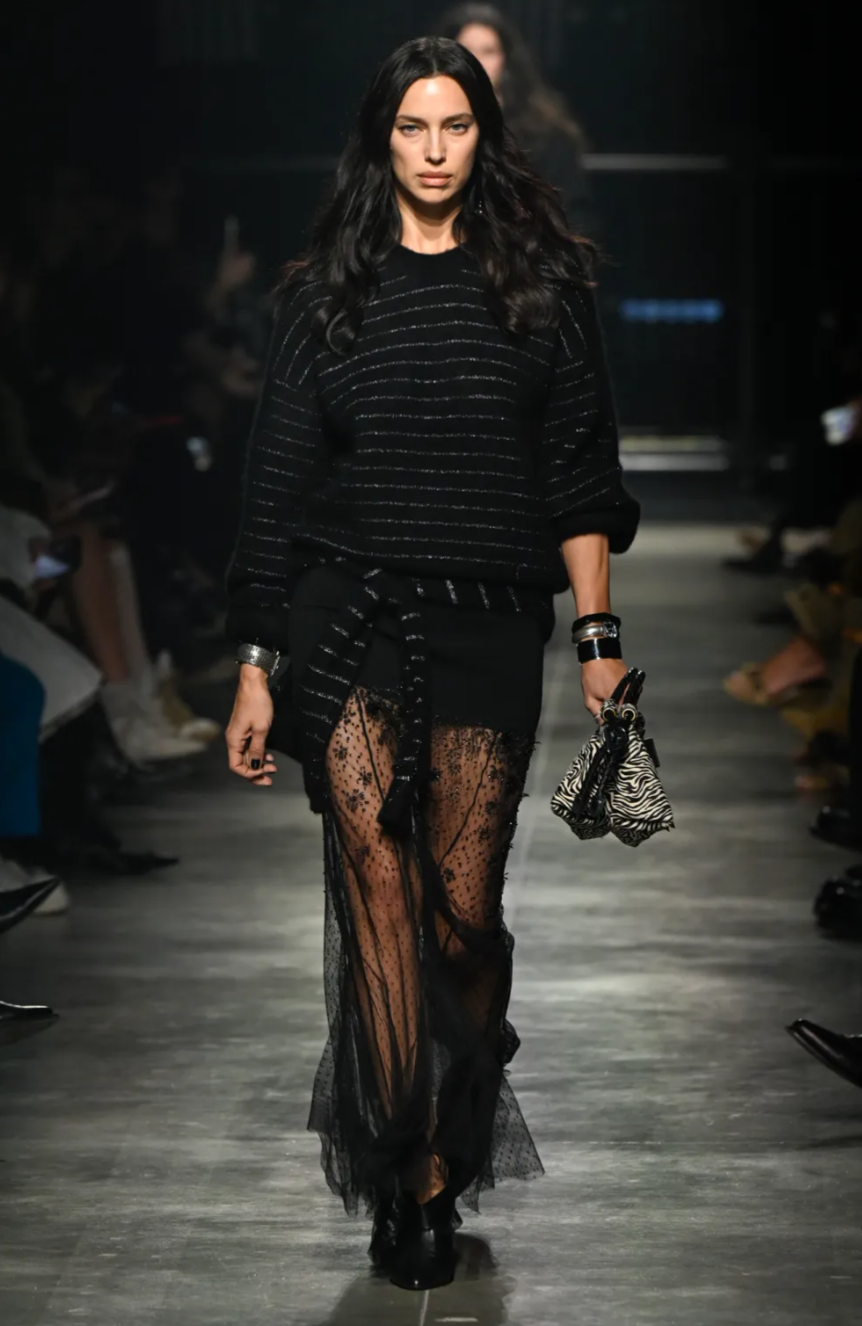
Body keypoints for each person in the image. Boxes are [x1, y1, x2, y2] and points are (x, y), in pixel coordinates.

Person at [225, 37, 638, 1292]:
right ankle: (411, 1178)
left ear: (484, 137)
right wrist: (256, 660)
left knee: (459, 923)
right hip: (346, 620)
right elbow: (276, 482)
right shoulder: (324, 295)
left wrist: (598, 638)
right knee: (378, 904)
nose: (434, 149)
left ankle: (467, 1063)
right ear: (380, 140)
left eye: (454, 125)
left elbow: (578, 471)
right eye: (412, 127)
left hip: (485, 625)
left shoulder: (542, 287)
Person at [437, 3, 596, 237]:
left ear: (505, 62)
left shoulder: (547, 136)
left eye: (488, 51)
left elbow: (572, 215)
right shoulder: (424, 130)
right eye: (466, 50)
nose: (477, 61)